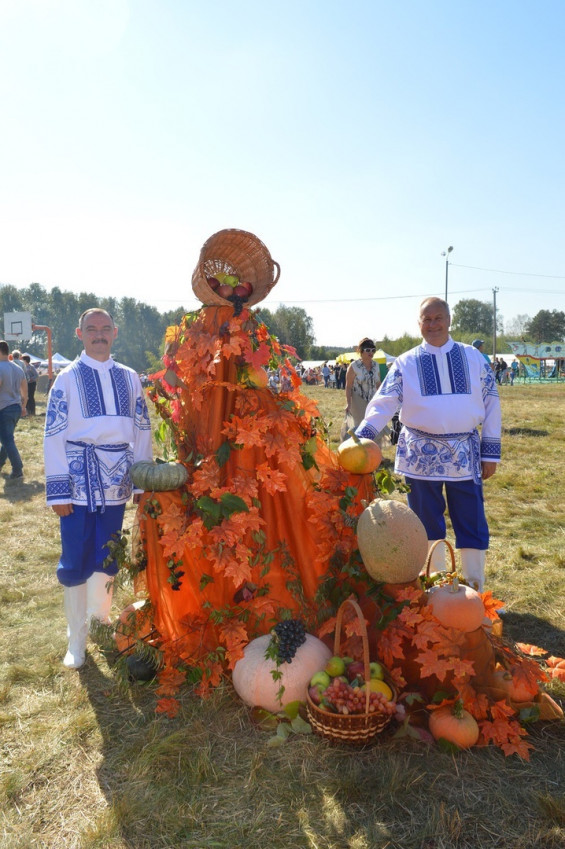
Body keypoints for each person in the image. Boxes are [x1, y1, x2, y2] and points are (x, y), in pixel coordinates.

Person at [355, 298, 501, 591]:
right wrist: (362, 438)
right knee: (425, 520)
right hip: (420, 453)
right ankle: (437, 586)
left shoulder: (473, 358)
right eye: (426, 319)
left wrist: (490, 452)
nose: (433, 324)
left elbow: (492, 403)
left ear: (449, 320)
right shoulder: (406, 363)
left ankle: (475, 588)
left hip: (464, 452)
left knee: (470, 518)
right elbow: (385, 402)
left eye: (438, 318)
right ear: (418, 323)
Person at [44, 308, 153, 669]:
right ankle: (76, 637)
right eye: (92, 329)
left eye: (105, 329)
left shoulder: (130, 377)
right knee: (76, 556)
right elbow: (54, 433)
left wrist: (142, 480)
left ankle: (100, 622)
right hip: (77, 483)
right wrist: (58, 490)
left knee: (108, 555)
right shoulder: (67, 378)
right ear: (80, 333)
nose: (99, 334)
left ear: (115, 332)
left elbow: (141, 428)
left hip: (117, 481)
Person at [342, 338, 381, 440]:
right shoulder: (354, 366)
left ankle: (372, 450)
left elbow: (378, 383)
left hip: (372, 399)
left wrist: (382, 398)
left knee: (372, 426)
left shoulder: (376, 365)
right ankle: (358, 451)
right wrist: (348, 403)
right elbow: (348, 386)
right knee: (360, 426)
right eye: (368, 350)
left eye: (373, 350)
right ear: (361, 351)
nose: (371, 352)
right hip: (358, 399)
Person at [0, 341, 28, 480]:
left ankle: (17, 470)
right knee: (7, 438)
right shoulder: (18, 368)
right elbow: (25, 390)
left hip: (3, 408)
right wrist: (23, 407)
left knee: (7, 440)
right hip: (16, 407)